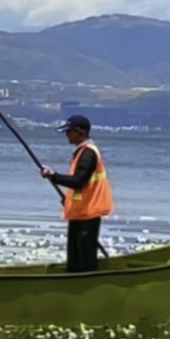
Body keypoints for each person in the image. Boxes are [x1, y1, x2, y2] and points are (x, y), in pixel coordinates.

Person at [39, 114, 114, 273]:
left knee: (84, 259)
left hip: (88, 213)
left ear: (79, 132)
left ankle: (87, 285)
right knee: (75, 257)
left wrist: (53, 176)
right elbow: (78, 186)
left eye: (69, 132)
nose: (67, 135)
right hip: (81, 212)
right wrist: (68, 200)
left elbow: (79, 181)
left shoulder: (88, 153)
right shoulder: (81, 152)